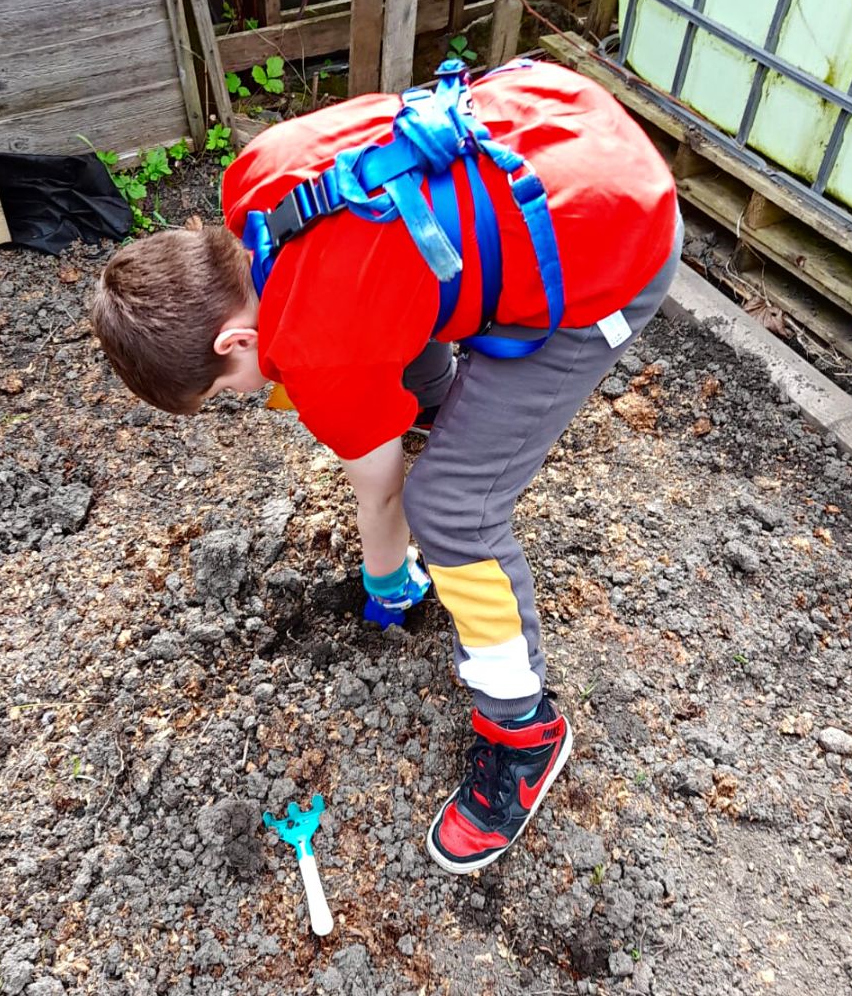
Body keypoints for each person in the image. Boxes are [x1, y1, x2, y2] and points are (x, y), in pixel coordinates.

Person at [91, 58, 680, 874]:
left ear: (234, 342)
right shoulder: (256, 188)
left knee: (450, 508)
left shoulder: (312, 344)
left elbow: (384, 496)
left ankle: (524, 731)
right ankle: (449, 406)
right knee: (415, 358)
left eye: (229, 389)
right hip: (560, 124)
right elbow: (395, 270)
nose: (247, 395)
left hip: (611, 248)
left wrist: (386, 585)